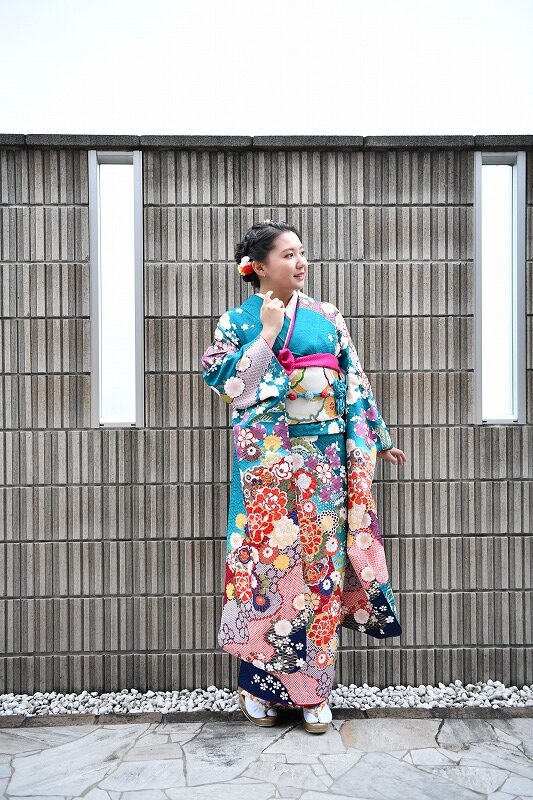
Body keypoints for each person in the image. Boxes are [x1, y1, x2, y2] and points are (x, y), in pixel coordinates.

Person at [201, 220, 407, 734]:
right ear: (258, 266)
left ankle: (314, 693)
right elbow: (228, 386)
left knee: (320, 571)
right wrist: (268, 334)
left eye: (301, 252)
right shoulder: (236, 322)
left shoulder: (327, 316)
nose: (300, 262)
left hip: (324, 464)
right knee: (267, 571)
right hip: (268, 468)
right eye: (288, 254)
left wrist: (378, 438)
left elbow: (352, 379)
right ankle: (258, 689)